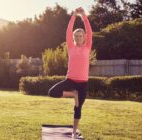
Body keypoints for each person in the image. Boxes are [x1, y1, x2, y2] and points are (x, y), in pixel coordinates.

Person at [47, 7, 93, 139]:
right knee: (52, 92)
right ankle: (73, 94)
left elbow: (90, 31)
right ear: (73, 38)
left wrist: (83, 16)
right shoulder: (71, 47)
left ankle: (74, 132)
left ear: (84, 37)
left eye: (80, 36)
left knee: (78, 108)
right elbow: (68, 31)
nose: (78, 37)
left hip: (83, 83)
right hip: (70, 80)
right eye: (76, 36)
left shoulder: (87, 47)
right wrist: (74, 15)